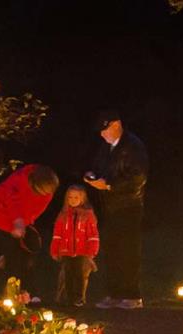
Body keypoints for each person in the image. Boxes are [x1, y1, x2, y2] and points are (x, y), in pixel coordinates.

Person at [84, 109, 147, 309]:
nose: (102, 135)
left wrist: (109, 185)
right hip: (110, 206)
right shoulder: (107, 148)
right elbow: (100, 167)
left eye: (105, 130)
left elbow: (137, 177)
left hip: (129, 205)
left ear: (116, 125)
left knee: (127, 250)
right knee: (111, 250)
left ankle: (131, 295)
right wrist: (93, 176)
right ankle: (114, 294)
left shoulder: (133, 146)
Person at [0, 163, 58, 298]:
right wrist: (18, 222)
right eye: (42, 192)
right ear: (33, 184)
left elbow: (38, 207)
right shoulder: (19, 180)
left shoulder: (47, 189)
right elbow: (12, 202)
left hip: (21, 224)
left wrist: (26, 222)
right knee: (2, 256)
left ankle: (16, 293)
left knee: (19, 258)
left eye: (48, 193)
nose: (45, 195)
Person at [49, 183, 100, 307]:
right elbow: (57, 234)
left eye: (76, 198)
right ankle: (68, 298)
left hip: (82, 252)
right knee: (67, 275)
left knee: (80, 276)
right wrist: (55, 250)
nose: (72, 200)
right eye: (70, 198)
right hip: (66, 252)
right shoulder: (63, 214)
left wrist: (92, 251)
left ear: (82, 198)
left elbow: (93, 235)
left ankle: (79, 298)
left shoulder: (88, 215)